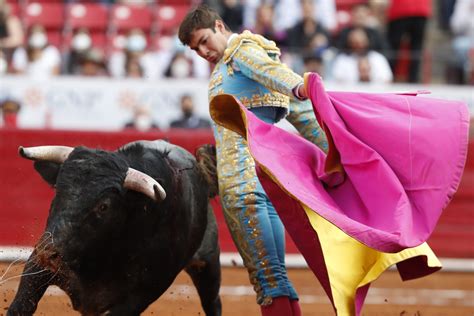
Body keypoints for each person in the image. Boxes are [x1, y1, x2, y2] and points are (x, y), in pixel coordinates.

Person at [178, 5, 327, 316]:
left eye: (205, 41)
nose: (203, 52)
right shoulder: (237, 61)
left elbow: (269, 72)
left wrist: (299, 86)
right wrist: (337, 152)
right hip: (265, 185)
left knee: (267, 280)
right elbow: (306, 120)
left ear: (219, 26)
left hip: (244, 190)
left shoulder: (239, 53)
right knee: (275, 276)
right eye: (196, 49)